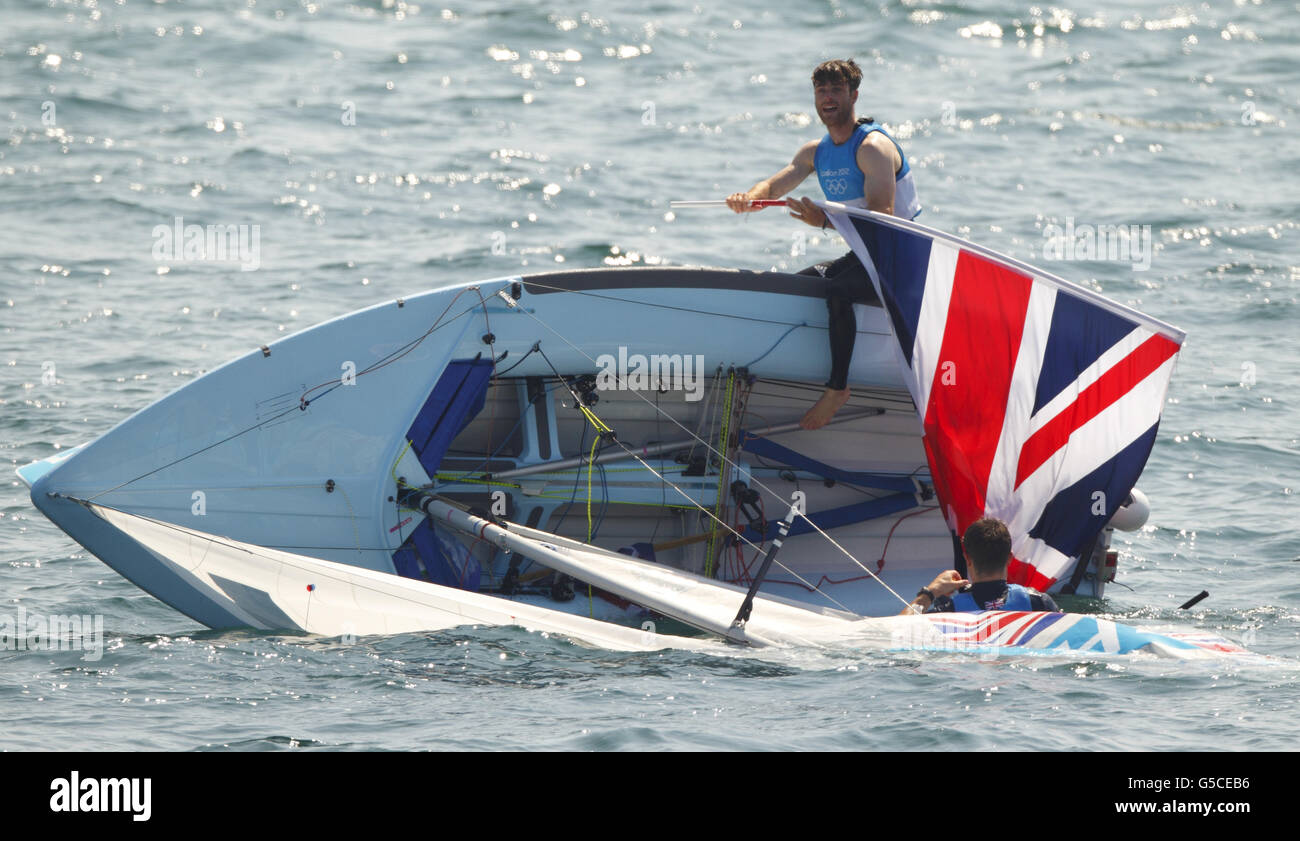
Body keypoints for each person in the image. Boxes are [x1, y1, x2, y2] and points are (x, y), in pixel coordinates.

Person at [726, 58, 921, 429]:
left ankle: (837, 388)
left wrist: (824, 221)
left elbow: (882, 215)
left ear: (854, 95)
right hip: (865, 255)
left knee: (838, 291)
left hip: (900, 257)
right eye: (821, 90)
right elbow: (774, 186)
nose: (827, 98)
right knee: (799, 286)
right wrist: (748, 197)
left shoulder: (873, 148)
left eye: (836, 90)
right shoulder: (815, 151)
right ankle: (783, 367)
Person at [899, 517, 1060, 615]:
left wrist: (930, 592)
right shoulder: (1038, 603)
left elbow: (897, 632)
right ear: (1010, 558)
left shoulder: (951, 610)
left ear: (967, 559)